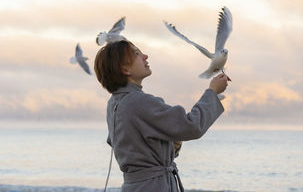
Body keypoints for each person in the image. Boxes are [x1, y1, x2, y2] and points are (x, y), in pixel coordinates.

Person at [94, 40, 229, 192]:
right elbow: (192, 126)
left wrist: (170, 147)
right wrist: (212, 92)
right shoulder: (139, 102)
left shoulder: (114, 103)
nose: (145, 56)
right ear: (125, 69)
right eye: (137, 54)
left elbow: (133, 148)